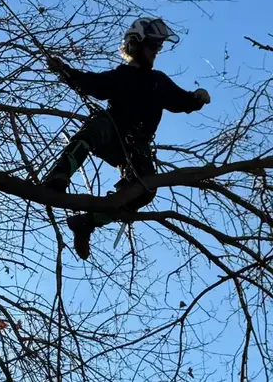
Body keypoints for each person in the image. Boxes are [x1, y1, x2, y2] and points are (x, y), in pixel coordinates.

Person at [41, 17, 211, 260]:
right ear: (135, 45)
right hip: (112, 130)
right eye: (152, 45)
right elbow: (94, 84)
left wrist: (196, 99)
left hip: (136, 147)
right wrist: (65, 72)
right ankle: (59, 176)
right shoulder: (122, 76)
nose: (156, 51)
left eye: (158, 47)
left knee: (145, 190)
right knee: (94, 128)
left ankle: (87, 222)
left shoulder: (158, 81)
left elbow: (179, 100)